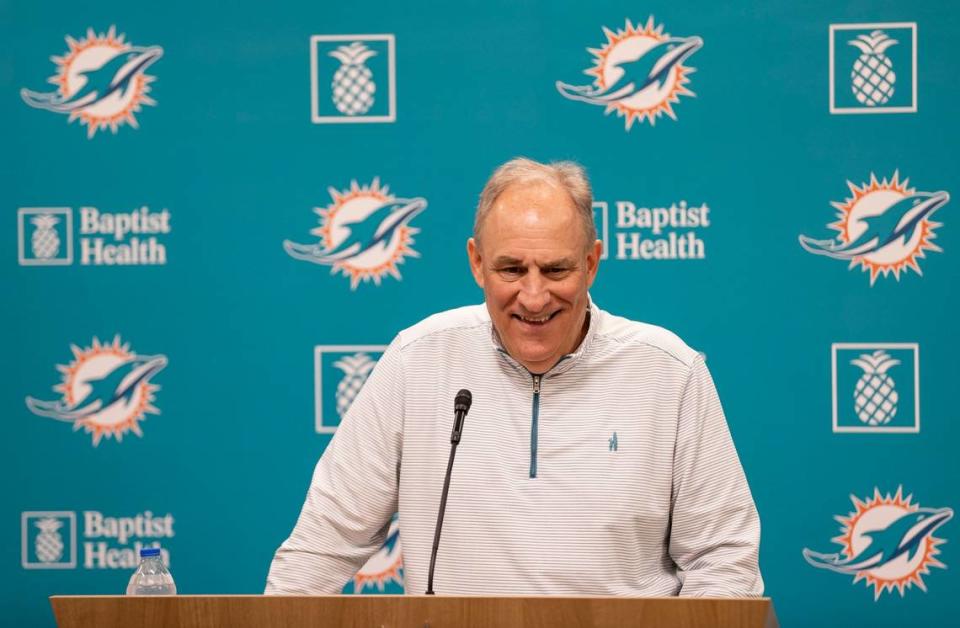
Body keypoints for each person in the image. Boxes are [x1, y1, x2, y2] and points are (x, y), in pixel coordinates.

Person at [266, 158, 763, 596]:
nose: (532, 296)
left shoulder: (667, 372)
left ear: (591, 264)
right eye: (511, 269)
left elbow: (724, 560)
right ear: (477, 263)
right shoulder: (417, 360)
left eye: (554, 270)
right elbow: (322, 545)